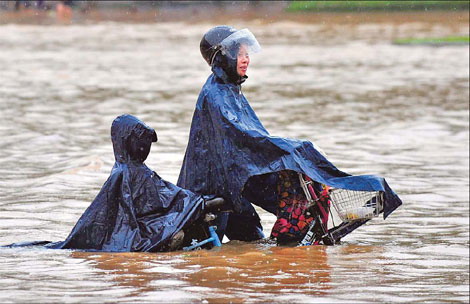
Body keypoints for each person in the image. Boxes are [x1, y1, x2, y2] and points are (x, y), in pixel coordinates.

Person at [177, 25, 402, 244]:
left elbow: (248, 139)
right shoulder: (217, 94)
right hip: (211, 186)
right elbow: (244, 139)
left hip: (231, 186)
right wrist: (290, 149)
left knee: (250, 244)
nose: (246, 59)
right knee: (203, 249)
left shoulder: (229, 89)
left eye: (247, 54)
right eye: (239, 54)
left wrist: (286, 149)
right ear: (222, 57)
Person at [5, 114, 224, 252]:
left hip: (141, 223)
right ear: (130, 142)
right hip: (137, 233)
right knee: (167, 230)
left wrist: (193, 201)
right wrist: (197, 202)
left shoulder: (129, 171)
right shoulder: (127, 173)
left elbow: (164, 195)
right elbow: (161, 199)